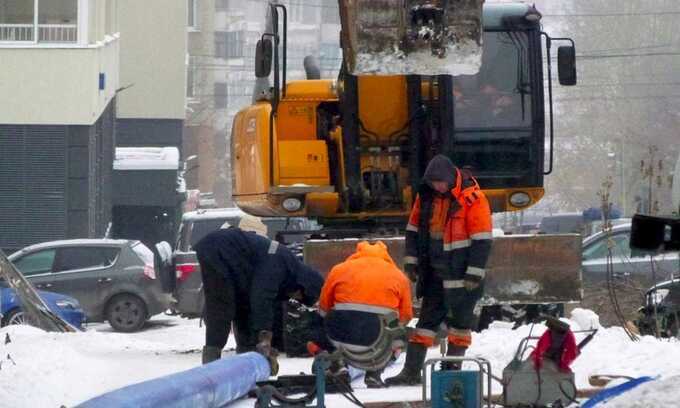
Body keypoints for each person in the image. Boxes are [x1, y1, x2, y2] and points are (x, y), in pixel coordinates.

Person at [385, 154, 492, 386]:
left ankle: (451, 373)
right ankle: (411, 372)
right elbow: (413, 230)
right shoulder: (425, 197)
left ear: (450, 179)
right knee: (425, 324)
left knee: (460, 326)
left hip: (463, 276)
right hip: (434, 273)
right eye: (433, 183)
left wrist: (475, 271)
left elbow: (482, 239)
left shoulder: (473, 199)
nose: (437, 187)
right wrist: (411, 262)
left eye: (440, 183)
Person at [195, 213, 325, 367]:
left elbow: (254, 304)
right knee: (222, 305)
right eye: (298, 295)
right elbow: (261, 298)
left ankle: (245, 361)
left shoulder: (284, 270)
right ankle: (211, 363)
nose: (294, 297)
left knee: (242, 308)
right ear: (302, 284)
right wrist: (265, 339)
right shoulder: (279, 261)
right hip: (219, 249)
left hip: (231, 259)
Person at [311, 241, 413, 388]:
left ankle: (338, 364)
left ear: (357, 253)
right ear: (386, 256)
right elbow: (406, 316)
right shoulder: (399, 276)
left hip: (341, 332)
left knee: (322, 321)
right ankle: (374, 373)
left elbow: (323, 308)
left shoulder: (339, 270)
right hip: (377, 337)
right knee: (398, 331)